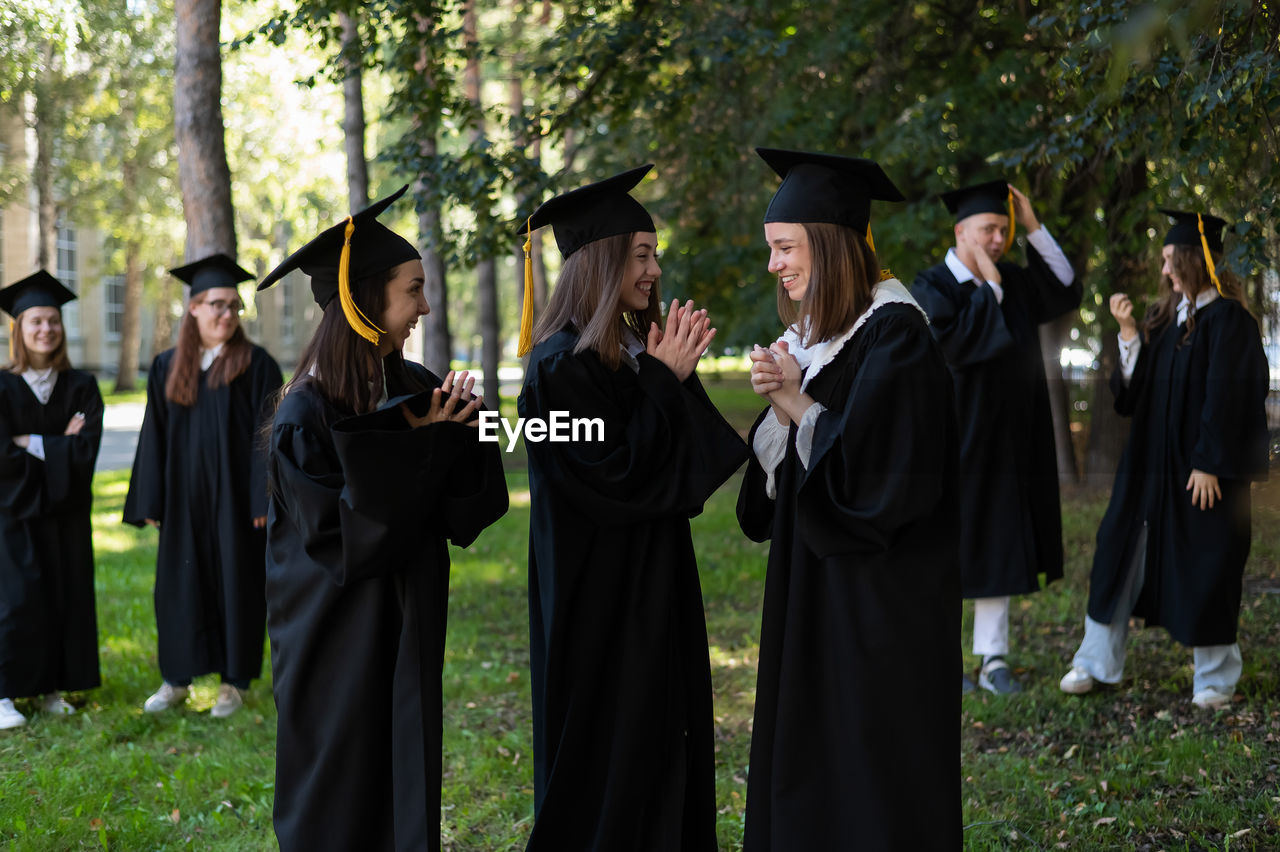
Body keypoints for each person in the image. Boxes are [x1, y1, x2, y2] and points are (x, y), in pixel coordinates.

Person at [258, 185, 508, 852]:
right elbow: (342, 541)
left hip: (408, 621)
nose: (425, 306)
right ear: (365, 300)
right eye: (413, 290)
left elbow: (467, 511)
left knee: (406, 775)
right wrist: (423, 446)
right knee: (340, 787)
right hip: (333, 635)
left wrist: (462, 431)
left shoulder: (417, 386)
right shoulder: (304, 414)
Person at [516, 165, 747, 851]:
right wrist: (660, 380)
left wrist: (664, 375)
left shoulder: (626, 352)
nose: (654, 270)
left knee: (663, 729)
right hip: (597, 597)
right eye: (642, 254)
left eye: (655, 254)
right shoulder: (556, 367)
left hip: (652, 581)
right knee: (611, 745)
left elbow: (685, 462)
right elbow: (613, 476)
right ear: (601, 261)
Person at [736, 148, 960, 851]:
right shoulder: (818, 339)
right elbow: (775, 493)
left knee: (870, 767)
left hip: (879, 604)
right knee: (812, 754)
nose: (774, 264)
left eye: (784, 247)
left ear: (828, 245)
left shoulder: (897, 335)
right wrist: (779, 405)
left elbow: (880, 480)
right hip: (816, 594)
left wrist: (797, 402)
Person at [1060, 209, 1269, 710]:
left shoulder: (1229, 322)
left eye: (1172, 261)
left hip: (1202, 472)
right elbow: (1130, 400)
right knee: (1118, 548)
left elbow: (1231, 397)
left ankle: (1215, 677)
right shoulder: (1163, 321)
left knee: (1209, 559)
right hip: (1149, 468)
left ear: (1197, 262)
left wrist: (1210, 461)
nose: (1164, 272)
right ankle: (1095, 662)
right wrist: (1129, 333)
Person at [910, 179, 1081, 694]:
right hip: (954, 440)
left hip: (1010, 439)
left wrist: (1033, 227)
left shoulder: (1015, 276)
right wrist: (991, 289)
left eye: (1003, 230)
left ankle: (993, 659)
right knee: (950, 546)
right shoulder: (930, 286)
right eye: (988, 229)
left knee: (1001, 541)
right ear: (960, 230)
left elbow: (1067, 287)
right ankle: (941, 654)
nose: (996, 240)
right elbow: (957, 346)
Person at [123, 253, 283, 718]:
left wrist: (262, 497)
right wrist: (151, 498)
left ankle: (233, 682)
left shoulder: (257, 365)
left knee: (238, 584)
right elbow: (154, 435)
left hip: (237, 500)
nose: (227, 314)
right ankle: (176, 678)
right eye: (217, 304)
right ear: (193, 308)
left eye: (234, 306)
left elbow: (268, 437)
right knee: (180, 585)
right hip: (183, 499)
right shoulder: (167, 366)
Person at [0, 271, 103, 730]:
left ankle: (50, 689)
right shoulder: (1, 386)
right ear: (17, 329)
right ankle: (4, 693)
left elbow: (86, 452)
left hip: (65, 514)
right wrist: (57, 442)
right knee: (16, 599)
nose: (46, 329)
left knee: (62, 595)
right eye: (36, 321)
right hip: (12, 513)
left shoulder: (81, 385)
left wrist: (30, 443)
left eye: (53, 321)